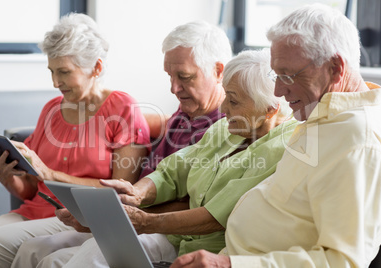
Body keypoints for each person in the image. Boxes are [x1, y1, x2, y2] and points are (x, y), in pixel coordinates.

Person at [23, 48, 299, 268]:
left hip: (211, 249)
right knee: (61, 257)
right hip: (174, 235)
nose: (224, 107)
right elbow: (173, 170)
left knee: (89, 255)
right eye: (226, 97)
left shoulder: (282, 147)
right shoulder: (226, 129)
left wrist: (144, 221)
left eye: (234, 101)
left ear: (271, 108)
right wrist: (136, 192)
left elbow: (215, 217)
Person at [171, 4, 381, 268]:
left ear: (335, 68)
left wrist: (226, 264)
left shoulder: (356, 140)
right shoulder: (323, 115)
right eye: (276, 75)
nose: (278, 91)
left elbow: (342, 261)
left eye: (287, 76)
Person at [9, 20, 232, 267]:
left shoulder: (229, 128)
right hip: (131, 216)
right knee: (37, 251)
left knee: (54, 261)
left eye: (185, 77)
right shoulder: (182, 114)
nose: (173, 88)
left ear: (219, 71)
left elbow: (198, 204)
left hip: (165, 229)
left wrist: (123, 215)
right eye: (170, 76)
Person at [0, 13, 151, 267]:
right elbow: (28, 189)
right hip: (34, 212)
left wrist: (51, 173)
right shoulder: (51, 109)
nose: (55, 82)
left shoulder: (123, 108)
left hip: (80, 218)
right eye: (51, 71)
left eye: (64, 72)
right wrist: (6, 175)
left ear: (97, 68)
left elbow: (121, 190)